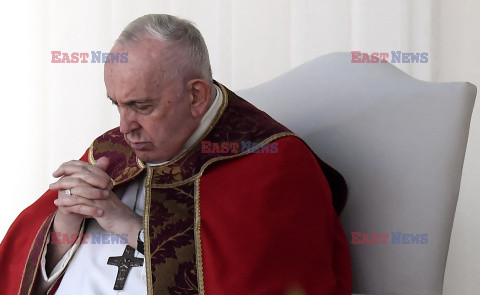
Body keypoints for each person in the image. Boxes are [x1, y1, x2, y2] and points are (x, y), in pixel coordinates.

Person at [0, 14, 351, 294]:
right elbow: (22, 275)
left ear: (196, 96)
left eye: (141, 106)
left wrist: (127, 226)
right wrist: (66, 223)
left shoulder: (273, 163)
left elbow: (261, 282)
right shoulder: (112, 151)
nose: (124, 128)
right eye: (117, 105)